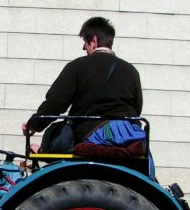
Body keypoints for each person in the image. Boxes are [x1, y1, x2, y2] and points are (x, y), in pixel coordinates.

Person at [23, 16, 144, 150]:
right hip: (131, 133)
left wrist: (35, 124)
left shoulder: (77, 67)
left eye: (85, 44)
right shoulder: (131, 70)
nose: (84, 49)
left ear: (94, 41)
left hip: (96, 135)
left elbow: (56, 102)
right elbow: (137, 108)